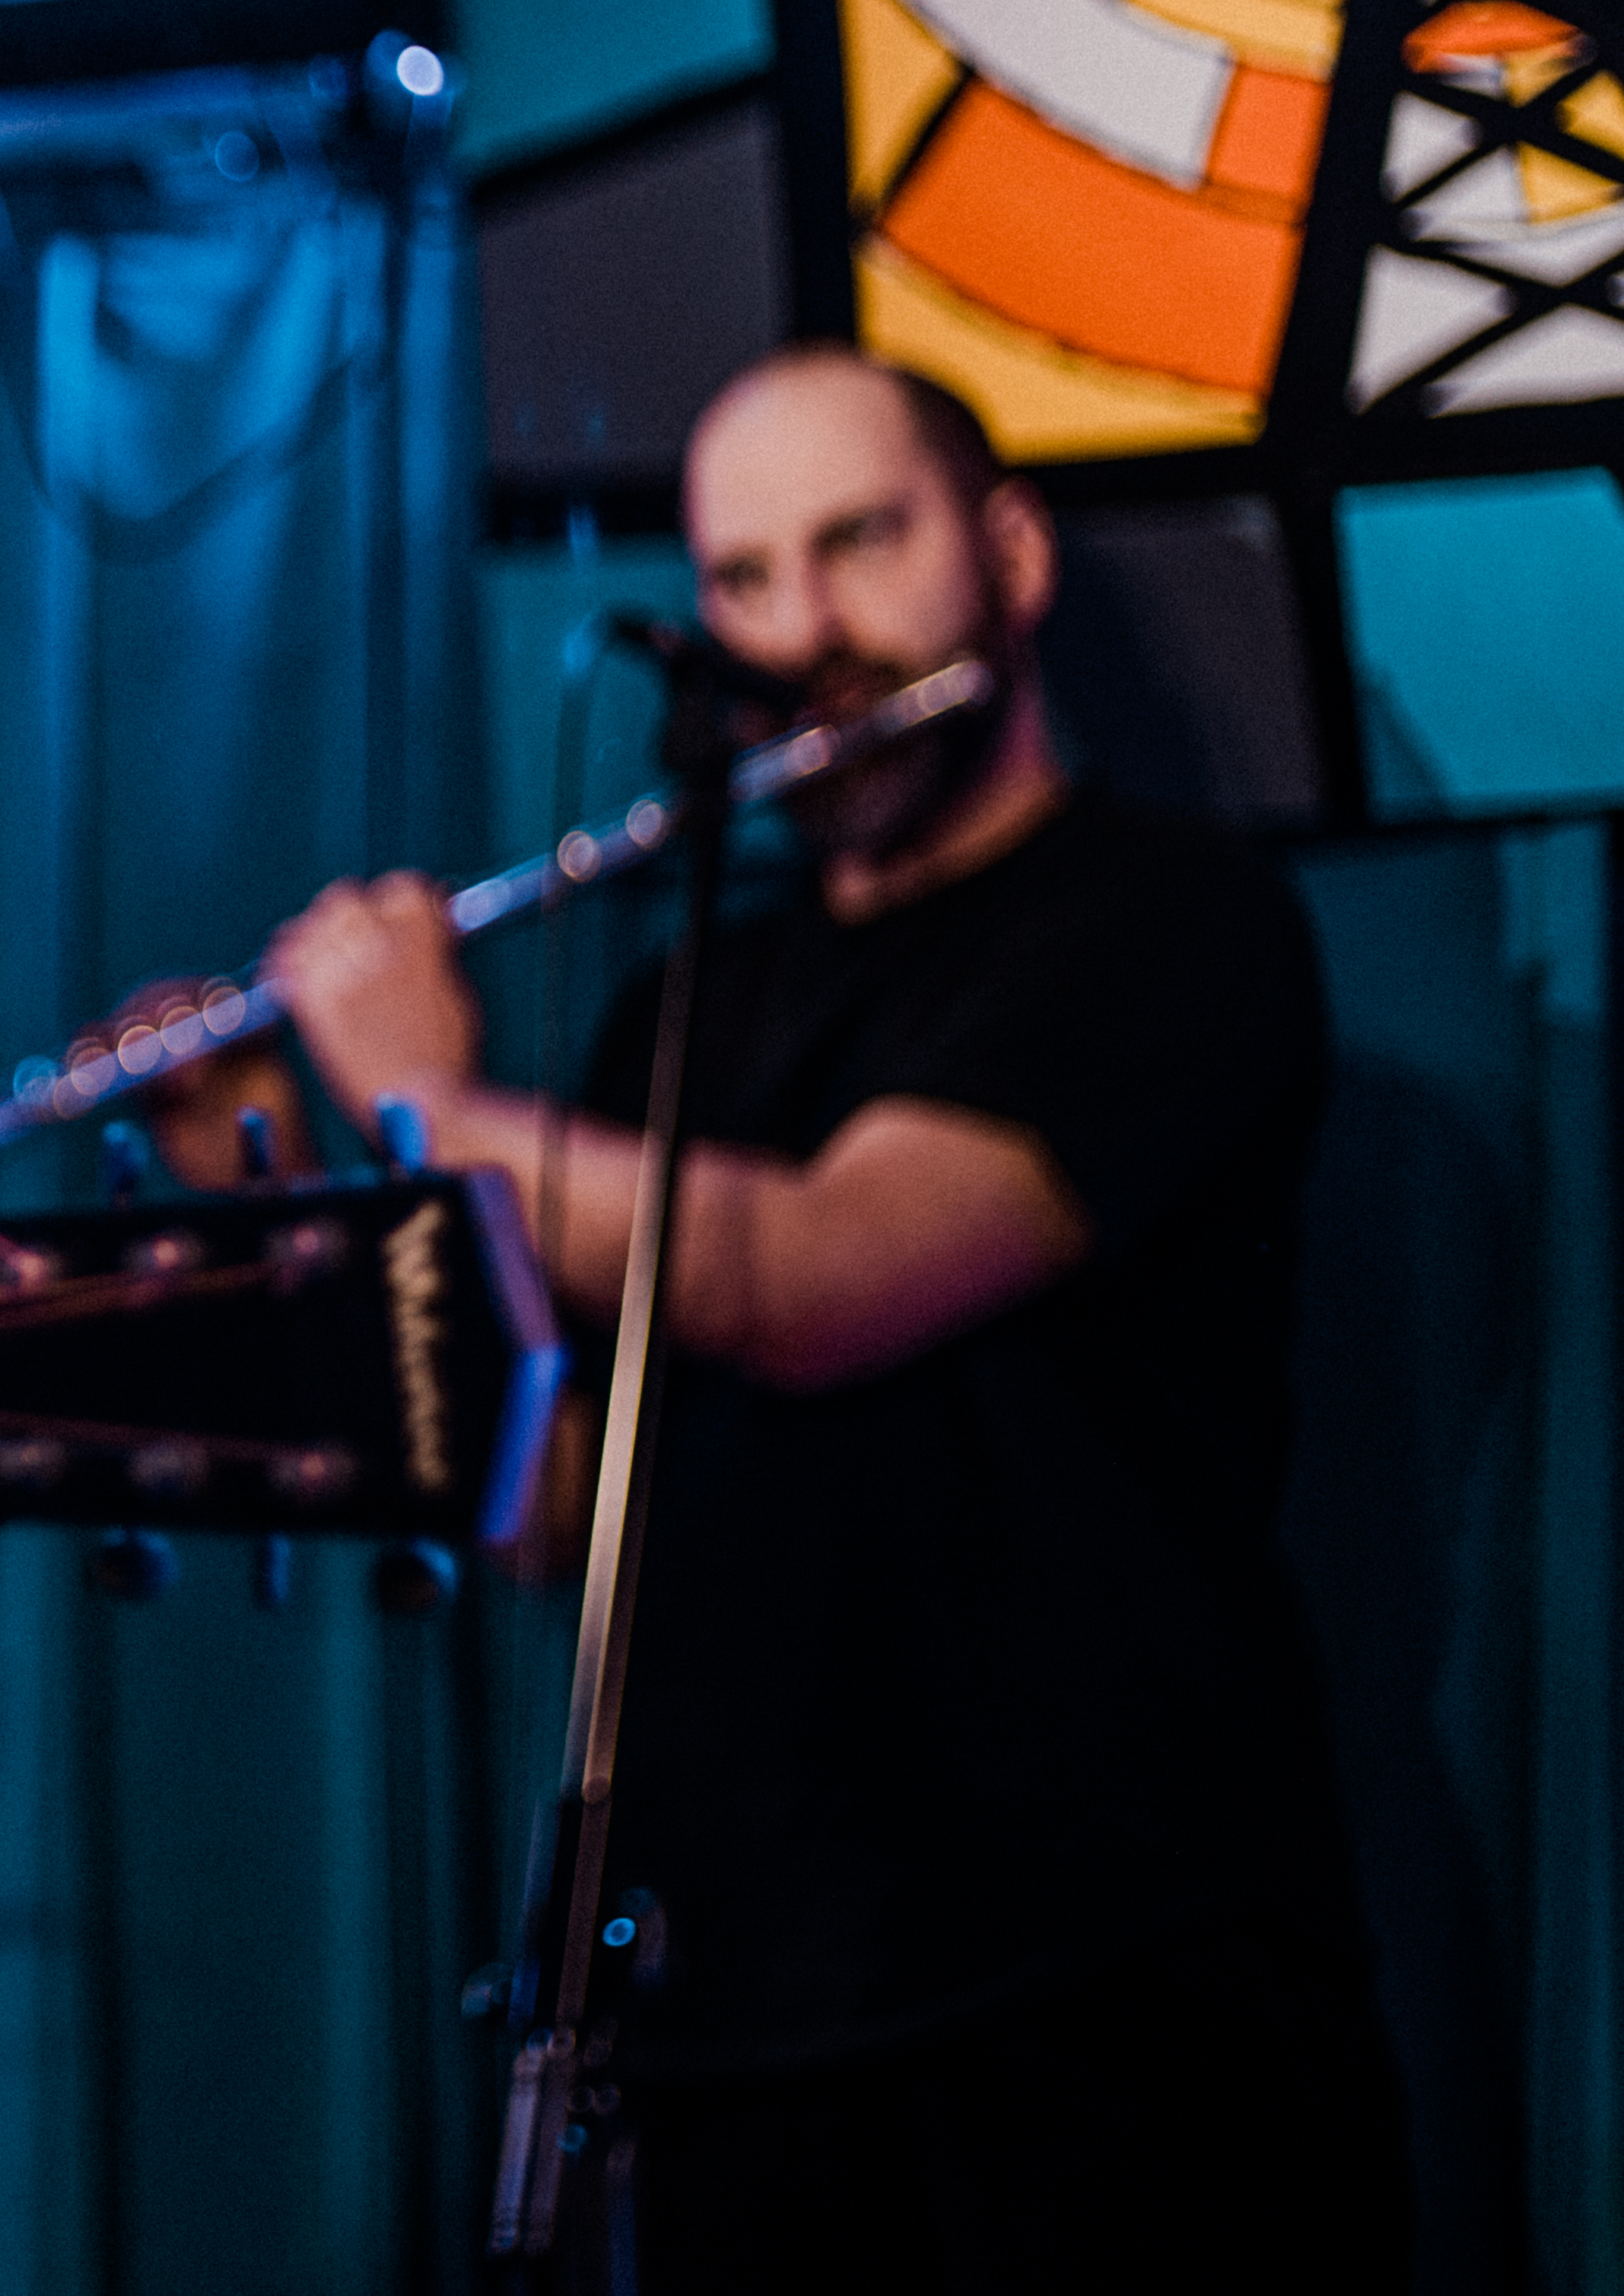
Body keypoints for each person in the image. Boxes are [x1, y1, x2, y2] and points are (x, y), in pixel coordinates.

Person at [266, 345, 1403, 2290]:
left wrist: (433, 1112)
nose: (810, 631)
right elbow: (552, 1515)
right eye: (745, 577)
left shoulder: (1163, 919)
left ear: (1013, 553)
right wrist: (313, 1183)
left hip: (1104, 1995)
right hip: (734, 2025)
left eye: (862, 542)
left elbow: (817, 1279)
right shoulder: (682, 1002)